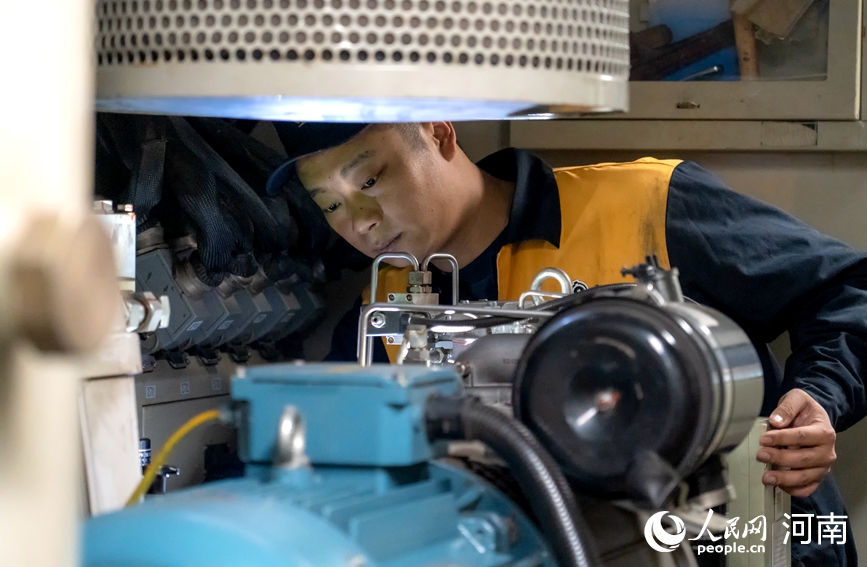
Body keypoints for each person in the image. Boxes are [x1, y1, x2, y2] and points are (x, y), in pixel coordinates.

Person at [266, 121, 866, 566]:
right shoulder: (385, 309)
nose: (360, 221)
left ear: (438, 131)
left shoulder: (645, 203)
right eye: (331, 206)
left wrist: (820, 395)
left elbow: (849, 290)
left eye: (371, 178)